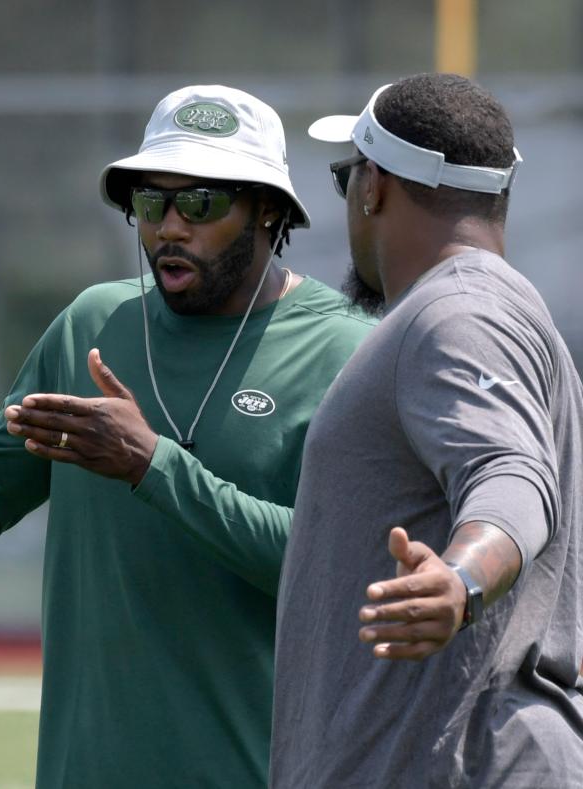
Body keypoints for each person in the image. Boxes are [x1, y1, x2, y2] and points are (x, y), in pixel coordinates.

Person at [0, 85, 373, 787]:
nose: (169, 226)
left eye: (199, 202)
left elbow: (339, 570)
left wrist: (153, 466)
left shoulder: (350, 354)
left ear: (268, 208)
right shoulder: (92, 324)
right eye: (149, 202)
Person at [271, 73, 583, 788]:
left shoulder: (456, 315)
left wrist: (462, 577)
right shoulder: (498, 309)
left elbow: (511, 476)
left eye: (344, 175)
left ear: (373, 184)